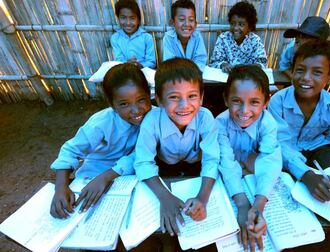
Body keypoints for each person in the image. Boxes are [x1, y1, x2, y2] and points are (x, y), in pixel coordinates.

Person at [50, 63, 152, 218]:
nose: (136, 110)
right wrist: (60, 188)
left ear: (149, 94)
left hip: (130, 177)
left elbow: (143, 152)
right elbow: (70, 151)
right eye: (124, 104)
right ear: (112, 105)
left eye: (141, 99)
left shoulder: (155, 118)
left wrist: (108, 176)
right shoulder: (100, 123)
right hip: (93, 177)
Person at [134, 58, 220, 236]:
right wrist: (164, 197)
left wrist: (202, 198)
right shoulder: (151, 120)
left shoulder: (206, 118)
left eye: (192, 96)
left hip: (195, 169)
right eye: (174, 97)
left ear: (201, 97)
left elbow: (211, 159)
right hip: (164, 169)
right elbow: (143, 162)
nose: (184, 105)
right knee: (162, 230)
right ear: (159, 100)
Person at [268, 40, 330, 202]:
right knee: (282, 190)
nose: (305, 78)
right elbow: (278, 143)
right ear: (292, 70)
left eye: (317, 72)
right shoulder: (278, 102)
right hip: (285, 152)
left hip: (316, 149)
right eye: (300, 70)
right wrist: (306, 174)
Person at [216, 65, 282, 251]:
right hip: (231, 179)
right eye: (237, 101)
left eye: (254, 102)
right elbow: (226, 163)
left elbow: (270, 160)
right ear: (225, 100)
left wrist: (258, 205)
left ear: (266, 102)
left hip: (251, 176)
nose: (245, 111)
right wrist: (243, 205)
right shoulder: (219, 124)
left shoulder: (268, 123)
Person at [209, 1, 267, 73]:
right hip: (226, 80)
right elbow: (214, 61)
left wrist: (248, 68)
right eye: (233, 23)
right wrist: (223, 65)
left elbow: (262, 63)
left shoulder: (255, 41)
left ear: (249, 27)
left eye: (241, 24)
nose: (236, 28)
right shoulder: (223, 39)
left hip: (248, 80)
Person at [162, 0, 207, 71]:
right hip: (176, 76)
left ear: (195, 24)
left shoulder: (197, 36)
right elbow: (169, 63)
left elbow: (200, 60)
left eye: (191, 20)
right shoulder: (168, 38)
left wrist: (191, 73)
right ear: (172, 22)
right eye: (182, 19)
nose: (187, 24)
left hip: (194, 75)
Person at [110, 0, 156, 68]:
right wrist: (127, 64)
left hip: (143, 71)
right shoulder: (115, 38)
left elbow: (151, 62)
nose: (128, 23)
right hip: (124, 71)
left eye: (132, 18)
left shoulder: (147, 38)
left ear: (138, 19)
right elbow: (118, 60)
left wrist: (140, 65)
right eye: (123, 18)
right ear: (118, 18)